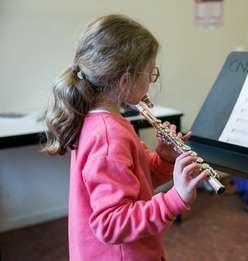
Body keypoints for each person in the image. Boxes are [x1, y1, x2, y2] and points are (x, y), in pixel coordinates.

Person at [42, 14, 208, 261]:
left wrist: (162, 161)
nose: (151, 82)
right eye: (150, 73)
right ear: (125, 80)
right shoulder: (110, 137)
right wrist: (175, 199)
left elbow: (132, 180)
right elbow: (111, 223)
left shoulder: (100, 122)